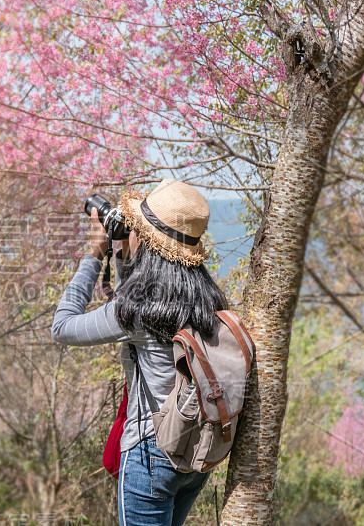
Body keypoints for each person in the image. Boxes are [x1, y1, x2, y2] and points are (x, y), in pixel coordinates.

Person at [51, 179, 229, 526]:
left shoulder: (138, 313)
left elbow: (62, 326)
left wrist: (94, 253)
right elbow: (133, 296)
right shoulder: (207, 298)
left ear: (146, 241)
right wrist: (121, 252)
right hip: (194, 453)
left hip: (151, 454)